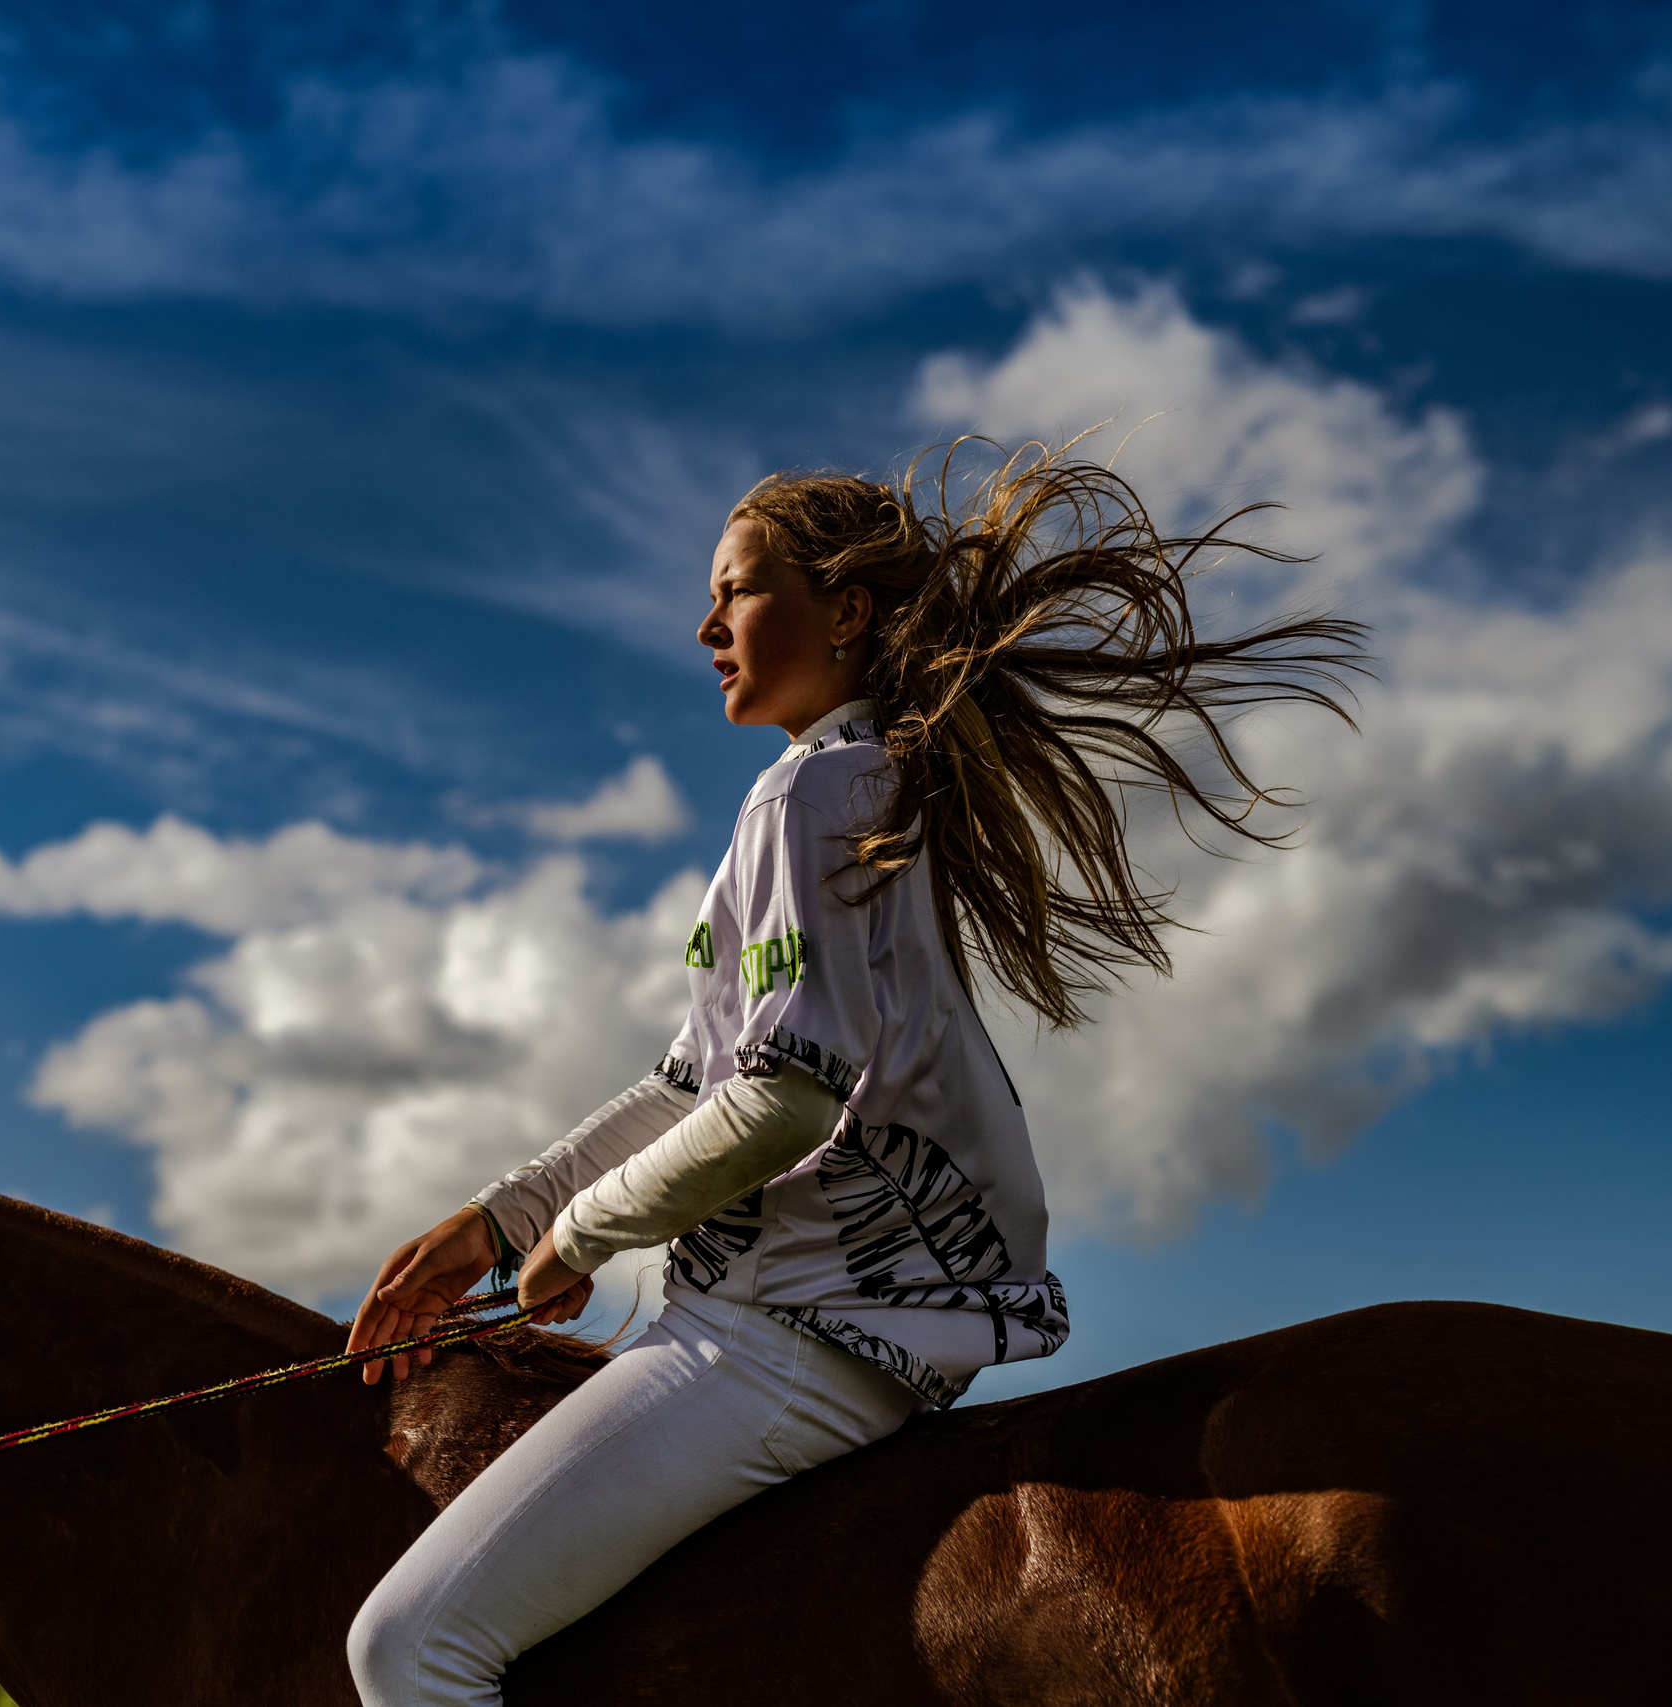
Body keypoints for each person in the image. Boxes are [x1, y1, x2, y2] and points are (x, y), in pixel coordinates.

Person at [341, 445, 1362, 1707]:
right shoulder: (851, 787)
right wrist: (493, 1222)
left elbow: (781, 1101)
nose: (705, 624)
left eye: (740, 590)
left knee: (406, 1647)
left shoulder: (811, 794)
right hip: (818, 1324)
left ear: (848, 611)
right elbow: (688, 1084)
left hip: (776, 1341)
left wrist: (581, 1236)